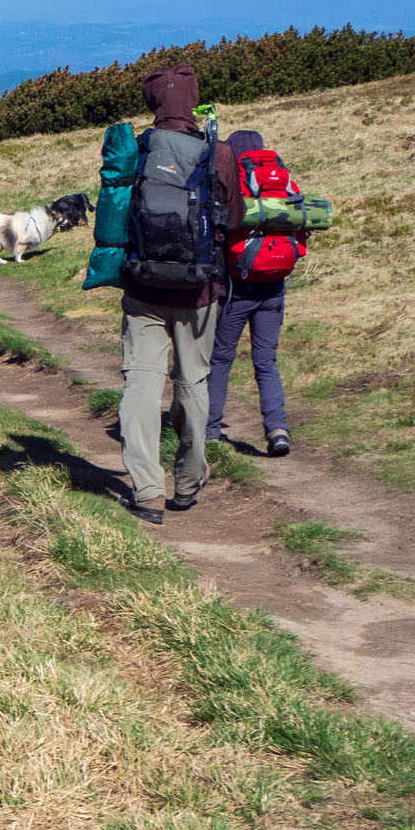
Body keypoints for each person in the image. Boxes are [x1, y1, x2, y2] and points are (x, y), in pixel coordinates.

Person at [116, 65, 242, 524]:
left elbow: (116, 216)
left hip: (142, 286)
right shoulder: (218, 152)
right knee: (191, 383)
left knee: (142, 384)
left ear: (152, 104)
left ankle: (147, 490)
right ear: (193, 102)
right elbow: (235, 218)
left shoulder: (135, 149)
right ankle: (188, 483)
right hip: (200, 290)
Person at [206, 129, 293, 457]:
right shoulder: (281, 182)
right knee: (266, 361)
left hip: (238, 290)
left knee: (221, 358)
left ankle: (210, 431)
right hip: (274, 288)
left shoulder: (233, 183)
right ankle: (278, 429)